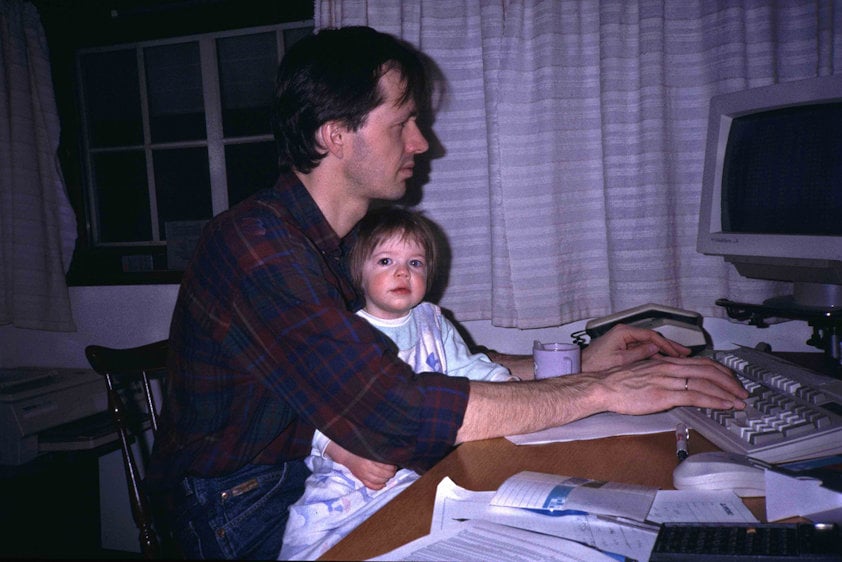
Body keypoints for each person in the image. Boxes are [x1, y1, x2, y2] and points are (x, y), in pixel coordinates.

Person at [146, 25, 748, 560]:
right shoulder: (259, 249)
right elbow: (395, 412)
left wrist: (579, 363)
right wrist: (601, 391)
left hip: (318, 476)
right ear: (335, 135)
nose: (421, 143)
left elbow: (417, 362)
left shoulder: (343, 245)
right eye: (402, 123)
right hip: (245, 506)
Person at [280, 207, 519, 560]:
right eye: (386, 261)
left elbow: (469, 368)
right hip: (349, 474)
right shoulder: (344, 332)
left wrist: (508, 386)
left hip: (417, 468)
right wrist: (347, 455)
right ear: (358, 274)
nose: (403, 272)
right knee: (325, 544)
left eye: (415, 263)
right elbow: (311, 411)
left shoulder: (432, 322)